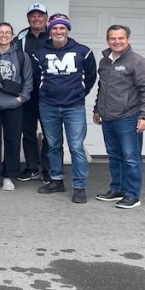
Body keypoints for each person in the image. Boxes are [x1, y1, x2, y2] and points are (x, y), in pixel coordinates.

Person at [33, 15, 97, 203]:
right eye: (54, 28)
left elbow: (91, 77)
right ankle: (56, 180)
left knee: (76, 147)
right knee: (53, 145)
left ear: (68, 30)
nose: (58, 32)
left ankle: (79, 187)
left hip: (74, 107)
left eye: (62, 28)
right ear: (49, 30)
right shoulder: (39, 53)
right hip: (48, 106)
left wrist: (78, 94)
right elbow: (37, 78)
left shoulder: (83, 51)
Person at [93, 25, 145, 210]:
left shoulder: (138, 62)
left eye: (120, 38)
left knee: (131, 157)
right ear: (108, 41)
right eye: (112, 38)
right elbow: (102, 88)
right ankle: (118, 190)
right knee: (114, 156)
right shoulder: (105, 62)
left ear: (128, 39)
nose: (117, 42)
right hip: (108, 118)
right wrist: (97, 110)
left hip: (129, 117)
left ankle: (132, 195)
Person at [0, 22, 32, 192]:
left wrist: (21, 99)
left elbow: (28, 80)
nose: (4, 35)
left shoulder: (21, 56)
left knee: (12, 140)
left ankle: (9, 176)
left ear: (12, 35)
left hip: (14, 105)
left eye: (7, 32)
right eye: (0, 32)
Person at [16, 2, 51, 182]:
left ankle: (47, 168)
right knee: (28, 131)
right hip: (27, 92)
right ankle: (31, 167)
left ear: (46, 18)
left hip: (49, 94)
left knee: (49, 133)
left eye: (40, 15)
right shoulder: (21, 38)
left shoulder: (54, 35)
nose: (36, 19)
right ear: (28, 18)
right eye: (33, 15)